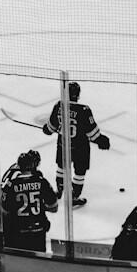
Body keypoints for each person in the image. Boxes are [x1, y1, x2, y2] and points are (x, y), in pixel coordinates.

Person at [41, 81, 110, 209]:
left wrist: (46, 129)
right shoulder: (84, 110)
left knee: (62, 166)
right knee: (80, 171)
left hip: (63, 144)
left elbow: (51, 128)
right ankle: (74, 197)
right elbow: (92, 133)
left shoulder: (59, 106)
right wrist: (102, 140)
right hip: (80, 147)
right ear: (77, 95)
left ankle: (59, 191)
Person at [0, 148, 57, 253]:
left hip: (15, 223)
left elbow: (4, 198)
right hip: (33, 228)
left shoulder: (13, 177)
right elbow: (53, 206)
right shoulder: (36, 179)